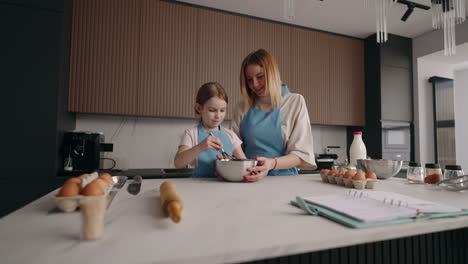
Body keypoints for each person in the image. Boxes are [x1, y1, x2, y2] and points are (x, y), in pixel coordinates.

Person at [232, 49, 316, 182]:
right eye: (249, 80)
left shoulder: (294, 102)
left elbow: (301, 155)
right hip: (249, 179)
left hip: (284, 181)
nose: (255, 84)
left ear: (272, 73)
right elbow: (234, 147)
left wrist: (272, 163)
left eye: (260, 76)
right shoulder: (242, 106)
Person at [174, 82, 246, 177]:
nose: (218, 116)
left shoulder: (231, 135)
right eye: (212, 110)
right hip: (198, 187)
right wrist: (200, 147)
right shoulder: (191, 134)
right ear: (199, 108)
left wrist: (231, 162)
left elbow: (244, 164)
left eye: (222, 110)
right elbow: (178, 163)